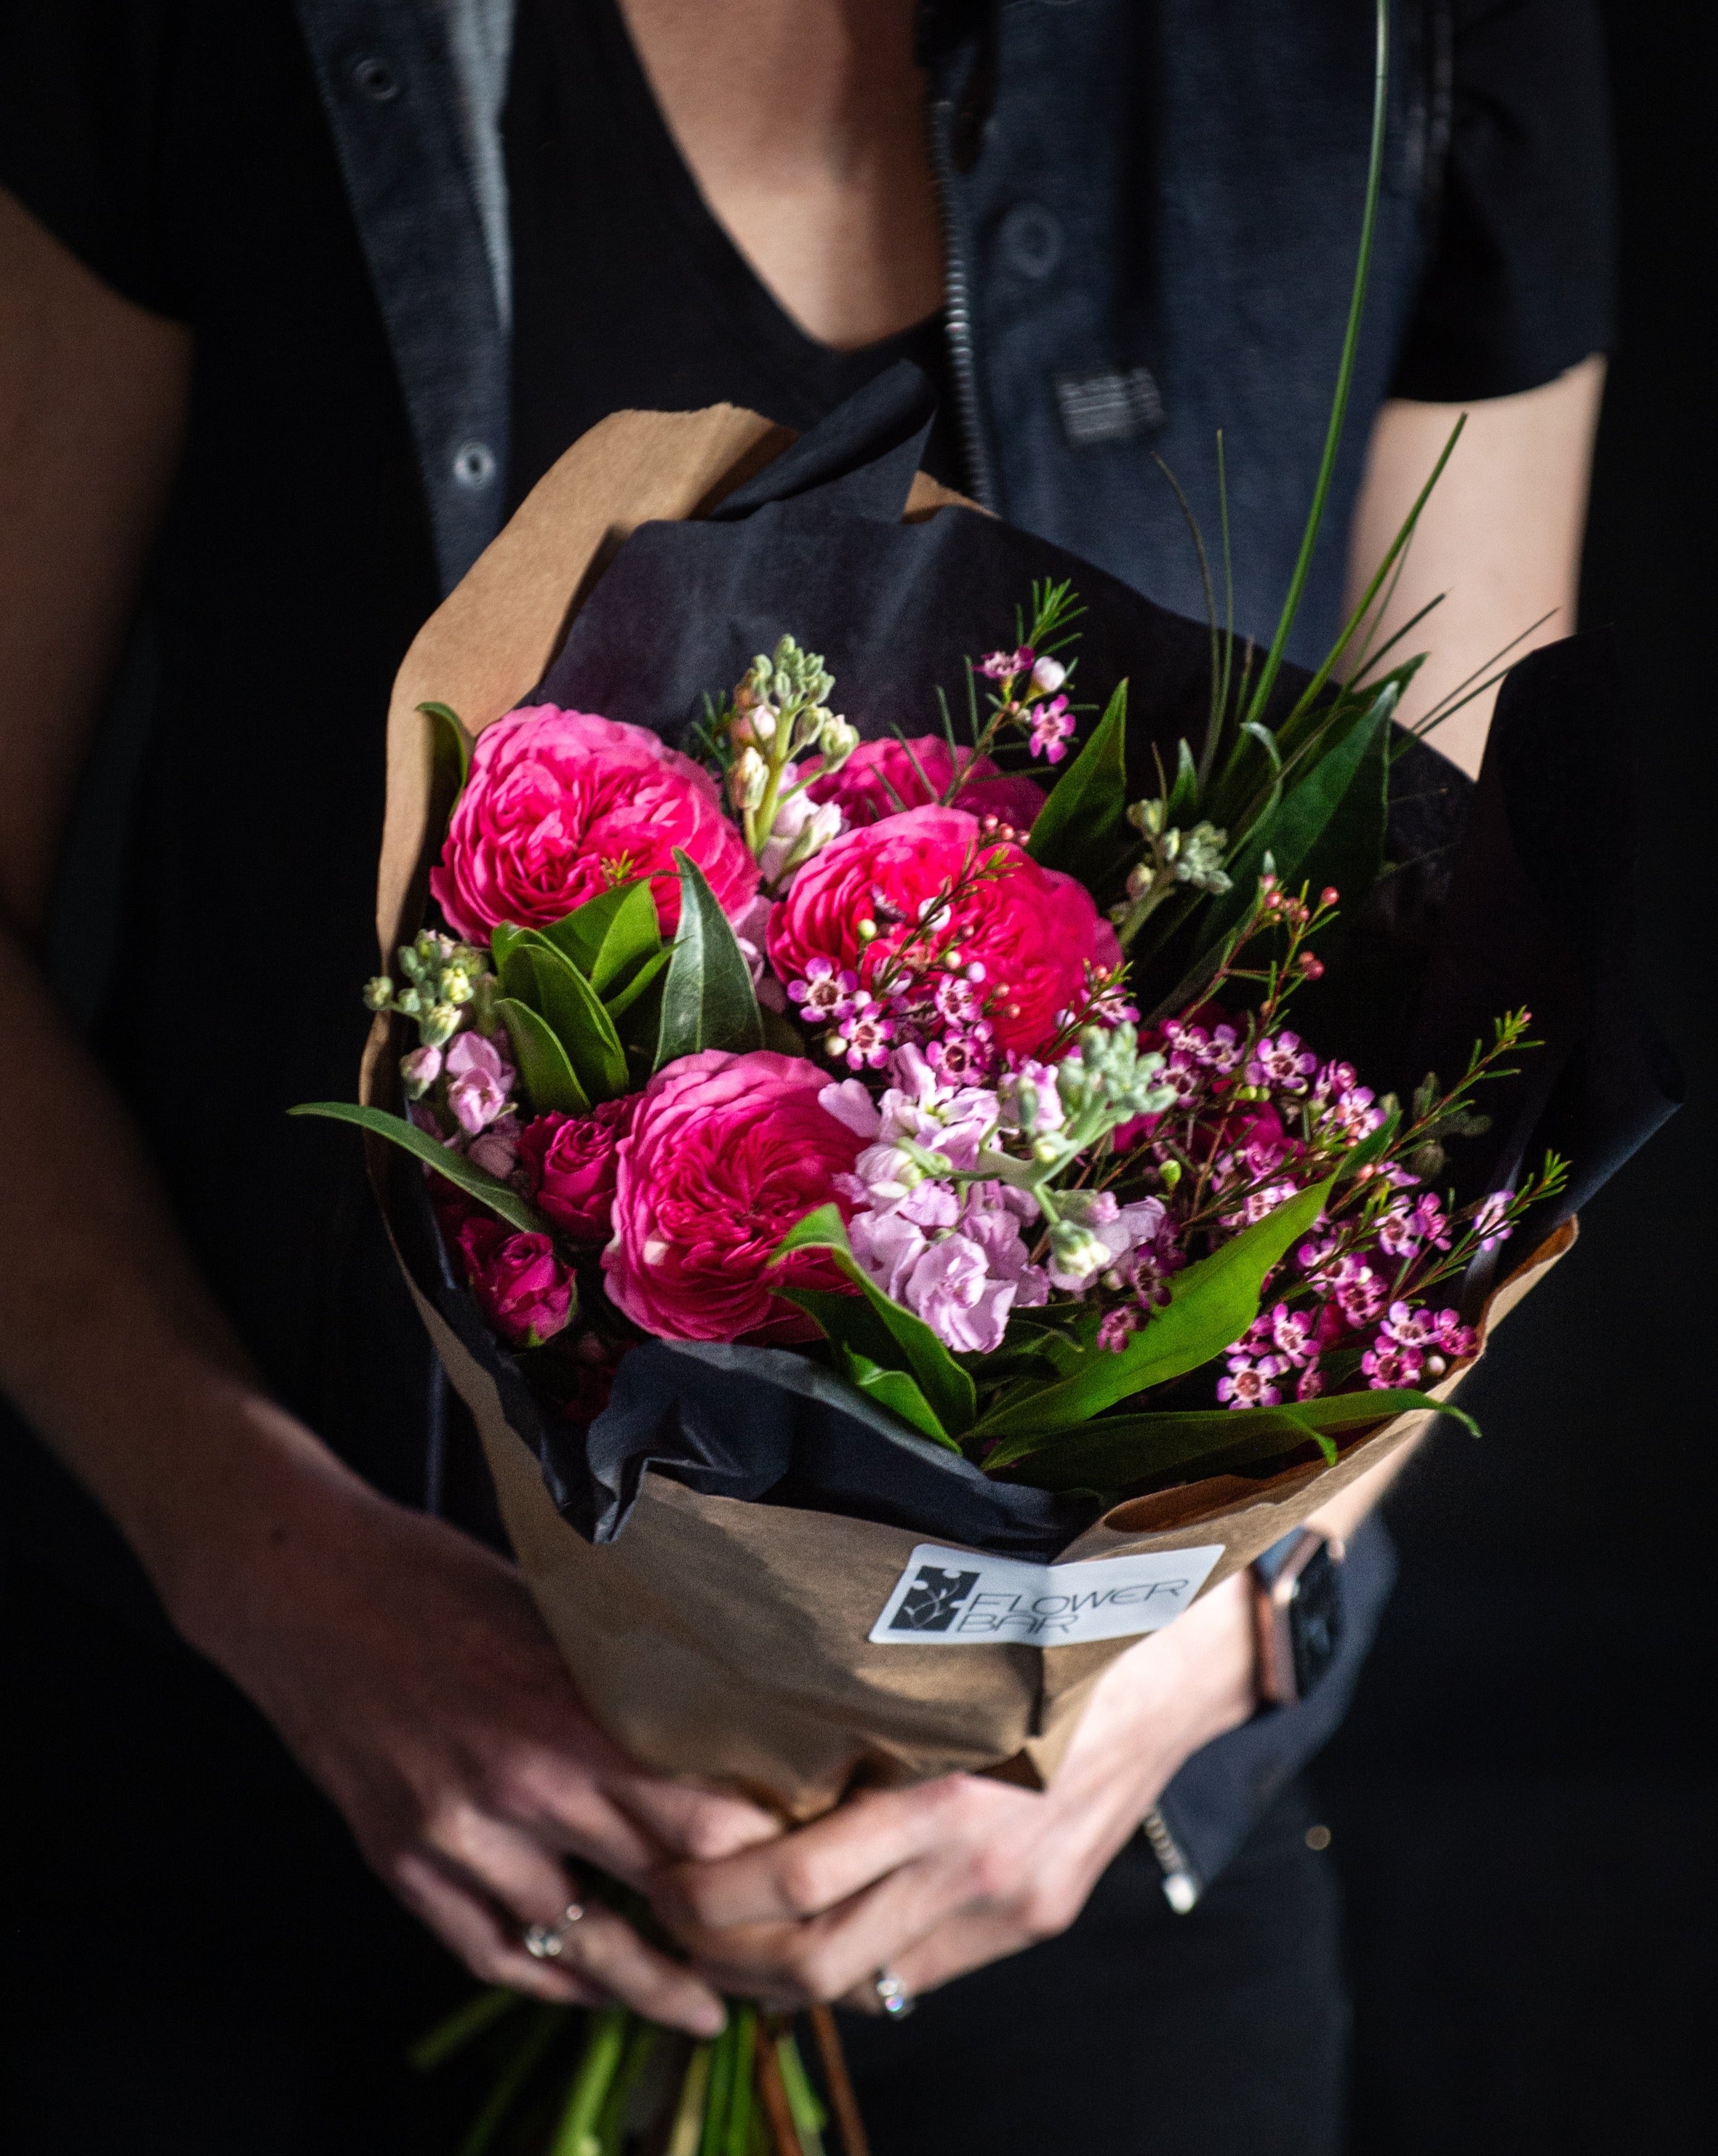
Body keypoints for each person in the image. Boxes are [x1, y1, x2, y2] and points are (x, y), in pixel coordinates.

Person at [0, 2, 1612, 2150]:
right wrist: (274, 1570)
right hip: (280, 1779)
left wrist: (1196, 1661)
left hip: (1079, 1880)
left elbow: (1464, 1053)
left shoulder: (1429, 35)